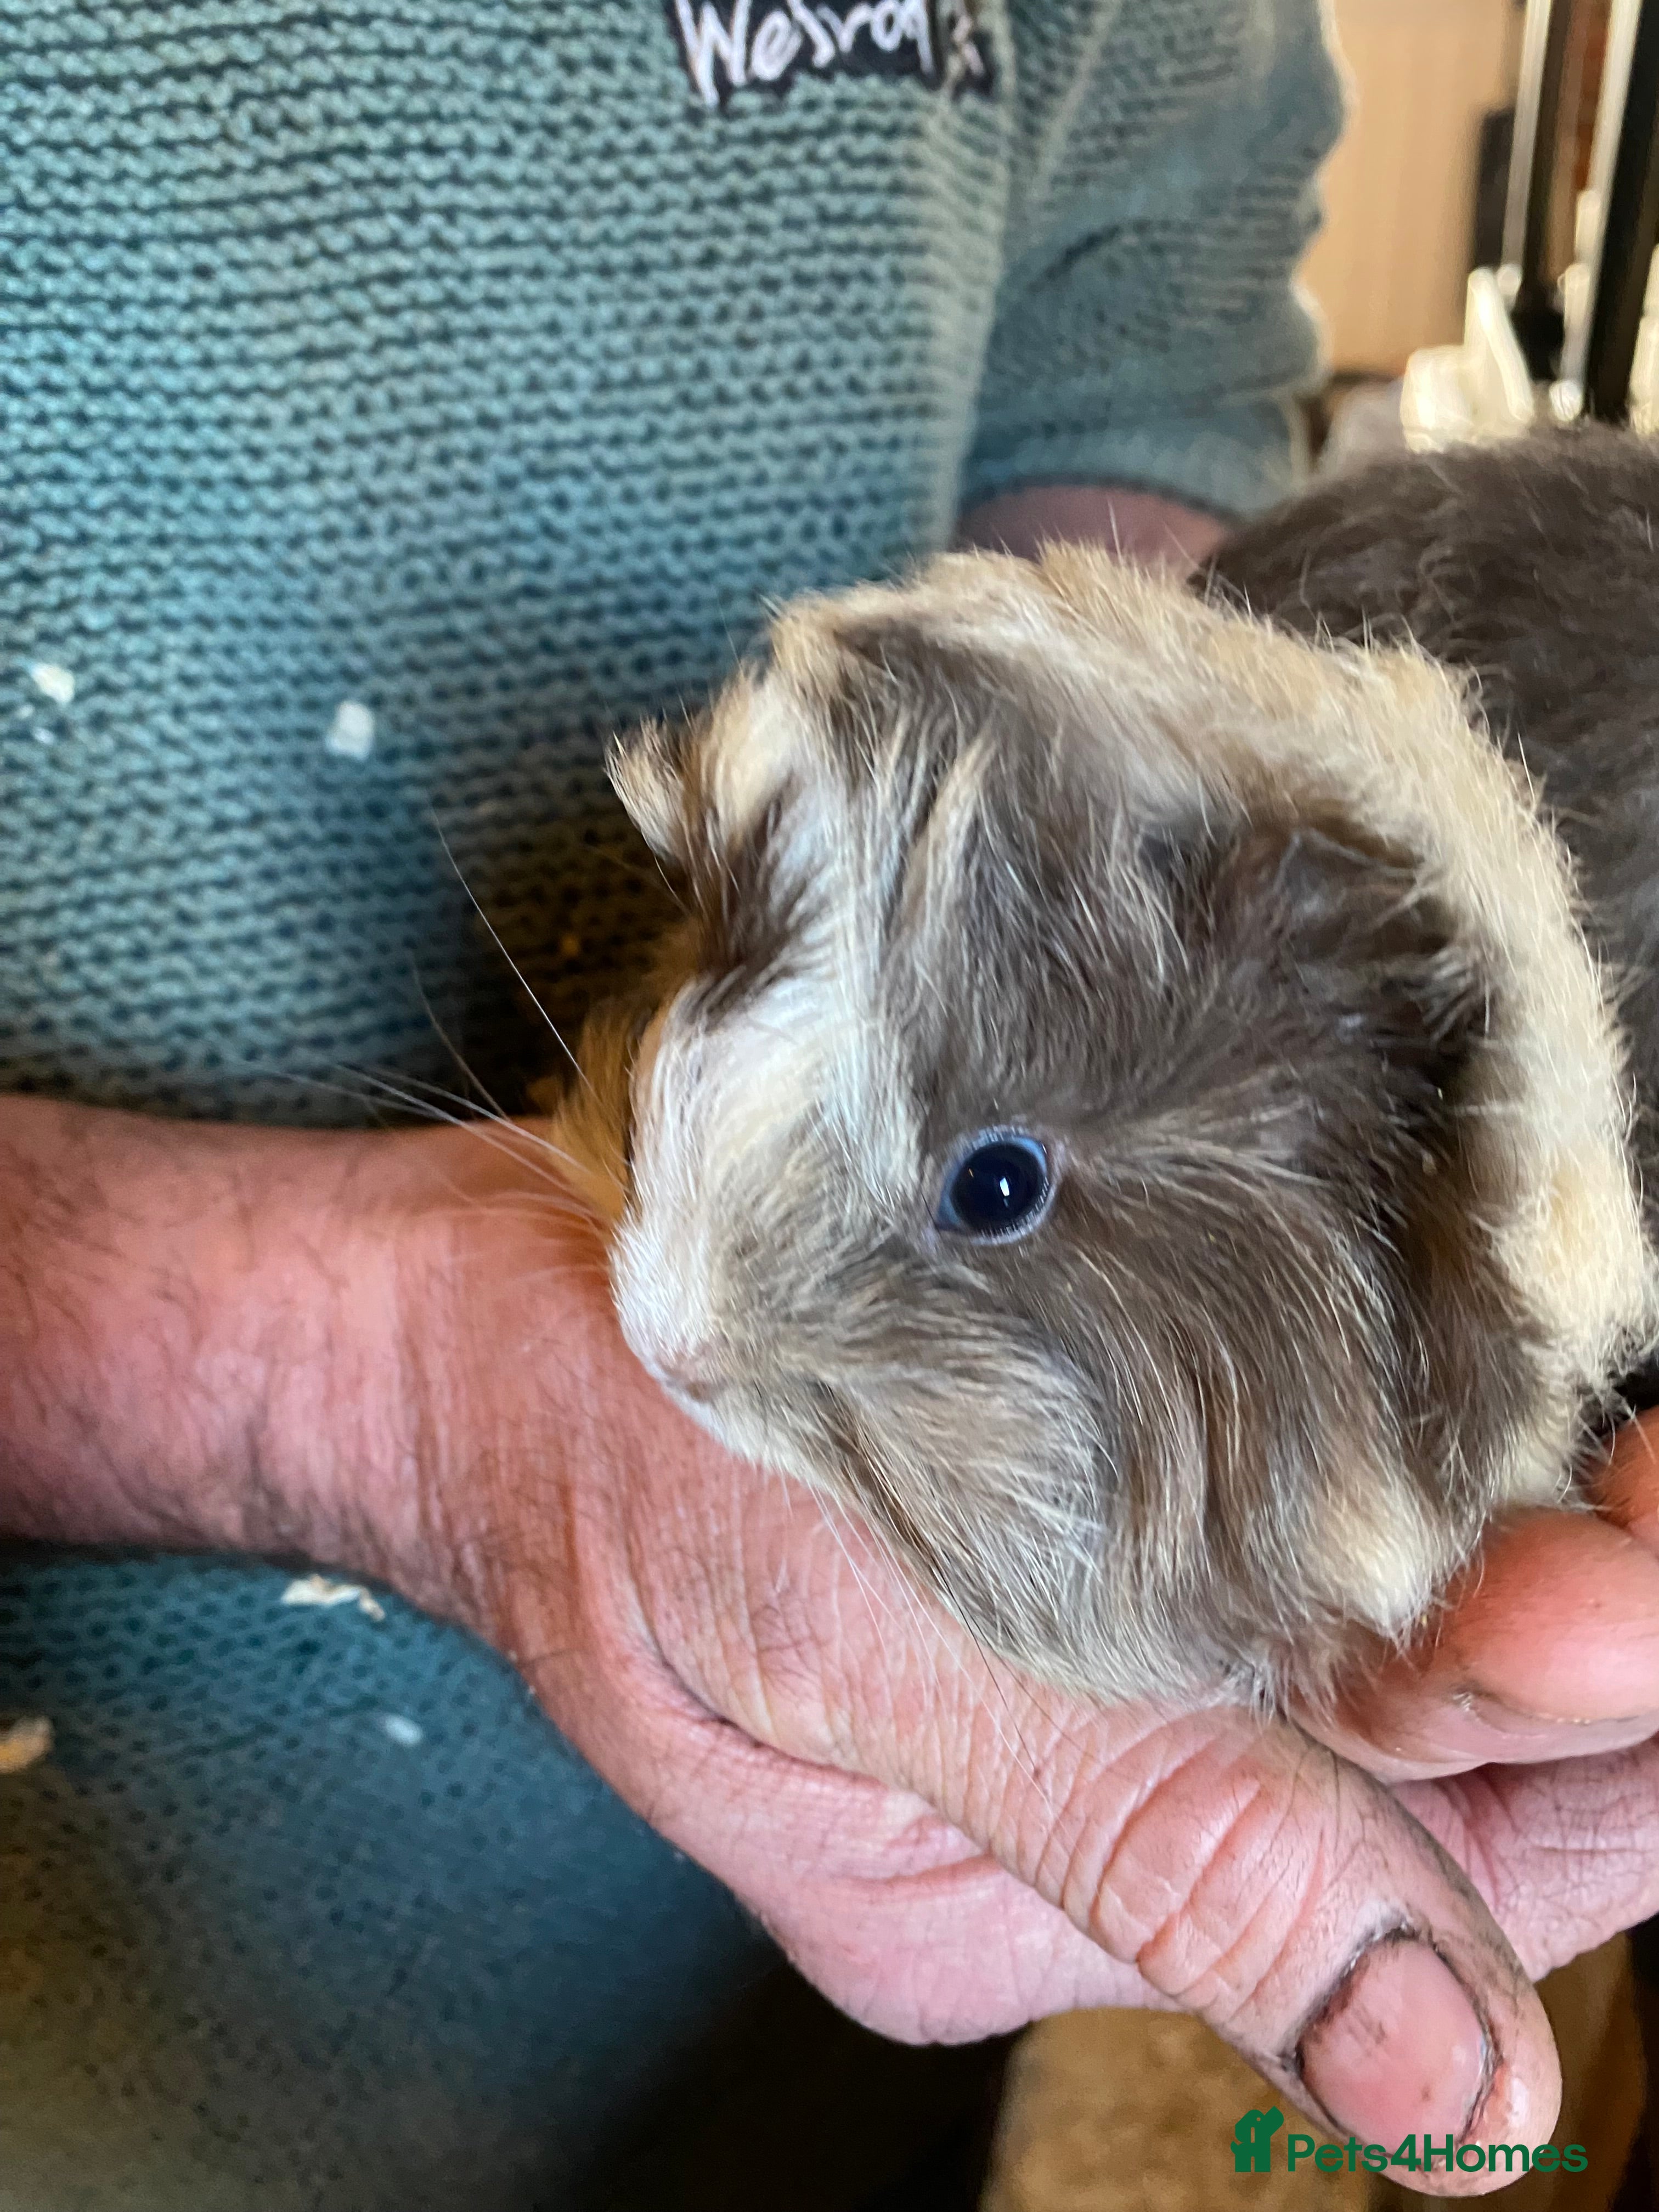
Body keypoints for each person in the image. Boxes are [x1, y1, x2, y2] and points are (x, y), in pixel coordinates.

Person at [6, 3, 1659, 2204]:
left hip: (819, 1977)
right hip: (109, 1972)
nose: (667, 1316)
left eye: (987, 1181)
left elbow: (1130, 335)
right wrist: (389, 1389)